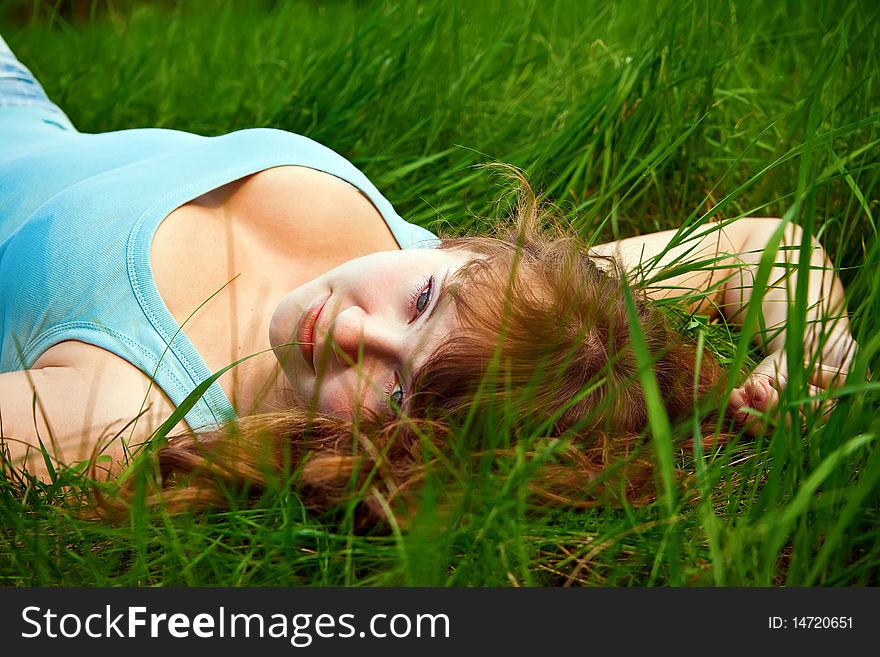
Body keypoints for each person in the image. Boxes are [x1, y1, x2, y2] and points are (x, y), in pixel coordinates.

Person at [0, 36, 857, 519]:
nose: (346, 328)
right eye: (419, 299)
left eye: (397, 393)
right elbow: (759, 245)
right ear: (474, 255)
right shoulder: (497, 305)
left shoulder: (118, 419)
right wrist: (812, 360)